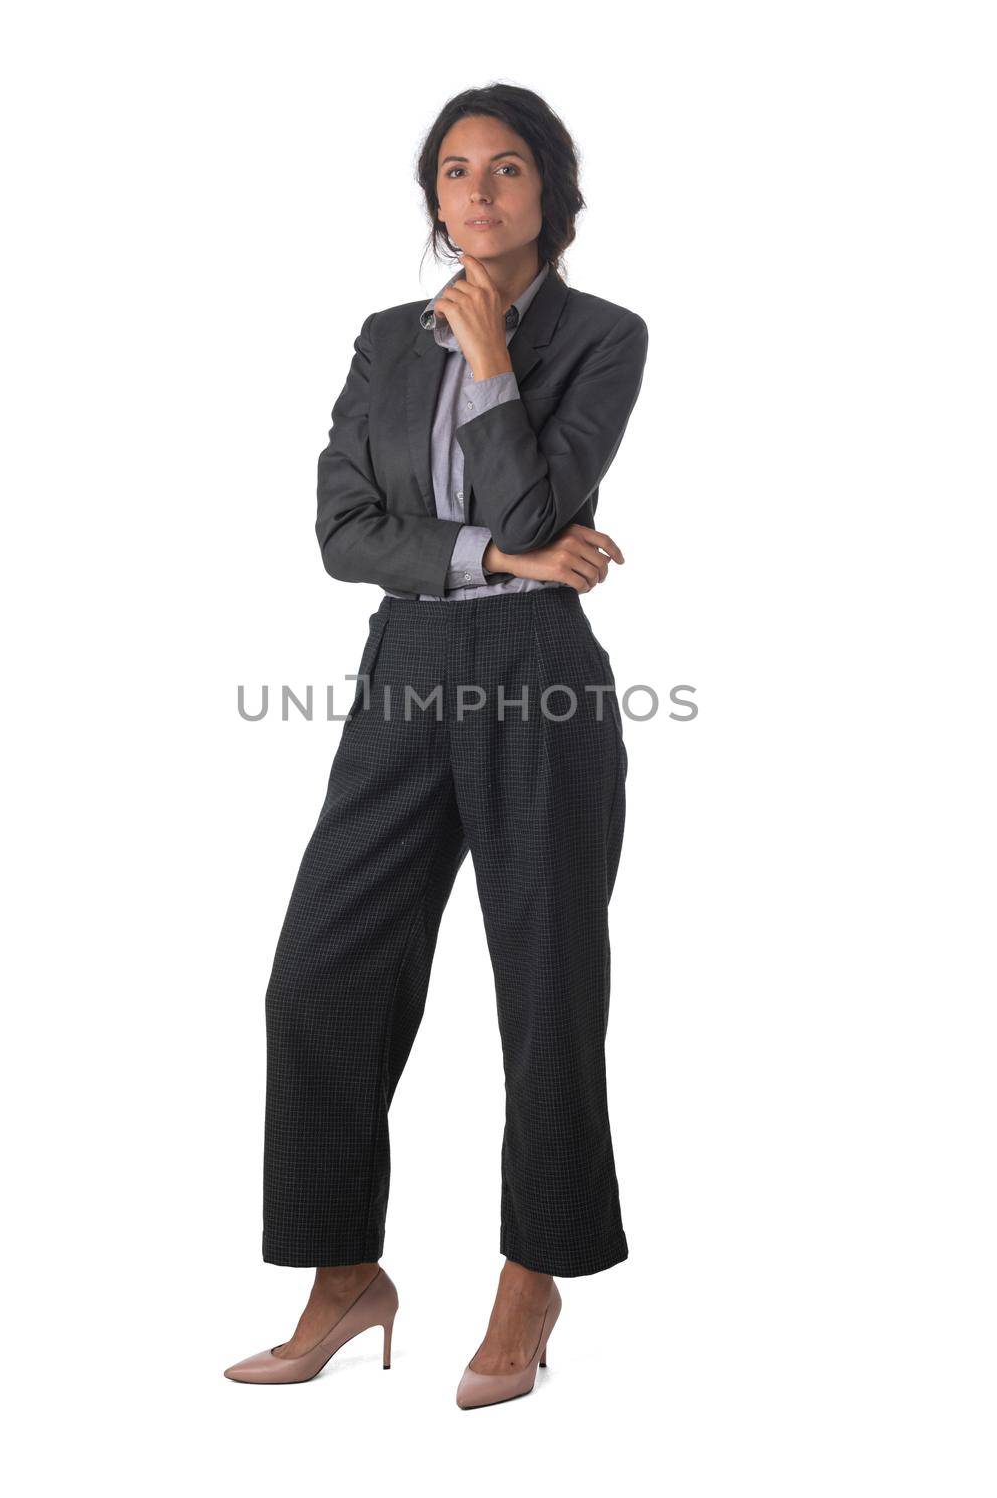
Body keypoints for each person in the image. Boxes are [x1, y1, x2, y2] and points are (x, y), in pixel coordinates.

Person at [224, 83, 649, 1408]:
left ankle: (536, 1275)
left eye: (507, 169)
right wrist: (495, 552)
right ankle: (344, 1276)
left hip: (540, 676)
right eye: (455, 171)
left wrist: (492, 369)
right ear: (434, 198)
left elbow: (546, 495)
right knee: (320, 977)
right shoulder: (382, 337)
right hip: (405, 668)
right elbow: (342, 533)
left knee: (546, 989)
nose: (477, 194)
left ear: (551, 195)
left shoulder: (603, 336)